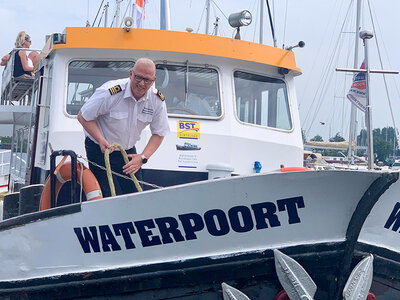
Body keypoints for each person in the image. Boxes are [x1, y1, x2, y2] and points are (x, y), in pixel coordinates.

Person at [77, 58, 170, 197]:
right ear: (131, 74)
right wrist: (101, 139)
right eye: (138, 77)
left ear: (153, 80)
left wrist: (143, 158)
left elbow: (159, 133)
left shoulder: (157, 100)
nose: (142, 83)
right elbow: (83, 116)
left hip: (127, 151)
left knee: (135, 194)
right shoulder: (110, 92)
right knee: (105, 194)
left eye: (147, 80)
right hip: (100, 148)